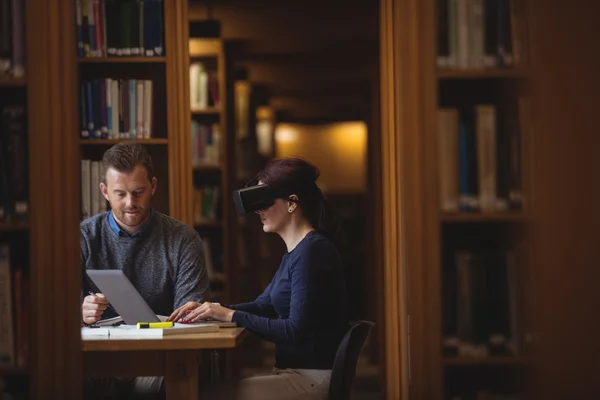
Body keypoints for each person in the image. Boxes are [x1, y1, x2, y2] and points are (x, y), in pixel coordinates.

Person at [169, 157, 350, 400]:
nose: (258, 210)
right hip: (295, 373)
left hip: (311, 377)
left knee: (203, 395)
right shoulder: (297, 252)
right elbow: (262, 306)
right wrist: (212, 309)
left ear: (292, 203)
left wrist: (230, 315)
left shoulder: (312, 252)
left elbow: (294, 331)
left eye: (264, 201)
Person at [80, 142, 210, 399]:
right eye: (120, 194)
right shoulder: (84, 236)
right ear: (105, 191)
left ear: (153, 185)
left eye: (138, 192)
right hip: (97, 362)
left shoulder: (183, 240)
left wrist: (177, 318)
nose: (131, 203)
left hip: (159, 362)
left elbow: (192, 321)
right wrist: (80, 311)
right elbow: (54, 314)